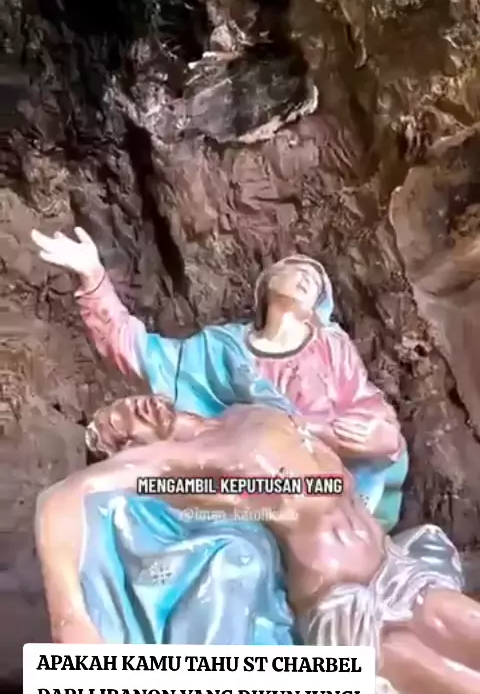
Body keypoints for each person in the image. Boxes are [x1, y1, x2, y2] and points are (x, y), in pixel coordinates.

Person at [39, 394, 480, 694]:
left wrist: (382, 441)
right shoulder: (177, 464)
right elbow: (62, 496)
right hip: (343, 605)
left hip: (394, 569)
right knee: (447, 679)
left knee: (463, 621)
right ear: (128, 449)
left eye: (123, 402)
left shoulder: (248, 413)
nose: (129, 407)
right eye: (116, 420)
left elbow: (351, 442)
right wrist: (70, 618)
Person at [31, 227, 408, 530]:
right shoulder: (219, 348)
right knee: (145, 499)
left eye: (316, 282)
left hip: (316, 481)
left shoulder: (330, 346)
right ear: (267, 284)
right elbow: (136, 348)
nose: (308, 279)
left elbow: (370, 412)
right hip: (239, 480)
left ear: (318, 309)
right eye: (298, 271)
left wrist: (376, 435)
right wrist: (94, 278)